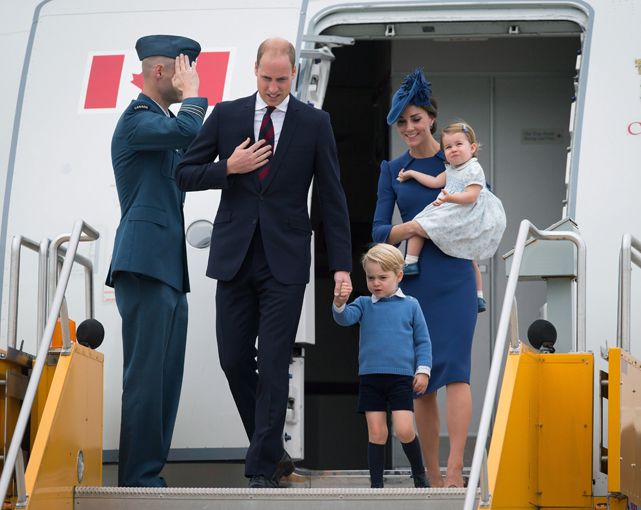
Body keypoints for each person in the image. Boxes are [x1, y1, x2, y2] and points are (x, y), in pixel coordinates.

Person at [175, 38, 353, 488]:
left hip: (286, 261)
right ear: (254, 70)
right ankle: (272, 452)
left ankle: (260, 470)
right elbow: (183, 173)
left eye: (282, 79)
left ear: (294, 73)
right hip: (235, 256)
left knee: (274, 362)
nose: (273, 88)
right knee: (233, 359)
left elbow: (332, 199)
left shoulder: (315, 123)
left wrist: (342, 267)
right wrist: (228, 167)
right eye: (266, 78)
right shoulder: (228, 114)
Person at [372, 68, 484, 488]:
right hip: (414, 282)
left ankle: (456, 466)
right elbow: (380, 231)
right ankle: (432, 474)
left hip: (454, 275)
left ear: (431, 118)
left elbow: (479, 212)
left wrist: (425, 227)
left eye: (415, 119)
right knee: (423, 378)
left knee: (455, 370)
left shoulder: (458, 157)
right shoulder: (392, 169)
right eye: (401, 122)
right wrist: (419, 227)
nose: (409, 128)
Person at [105, 35, 207, 487]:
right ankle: (139, 478)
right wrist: (195, 94)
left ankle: (149, 473)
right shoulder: (137, 121)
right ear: (161, 72)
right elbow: (186, 131)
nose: (188, 77)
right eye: (183, 69)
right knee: (146, 379)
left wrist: (237, 166)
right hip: (144, 264)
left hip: (167, 268)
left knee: (165, 381)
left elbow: (190, 166)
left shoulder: (163, 127)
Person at [332, 244, 432, 489]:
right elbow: (344, 319)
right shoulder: (364, 303)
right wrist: (339, 301)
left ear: (398, 276)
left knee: (405, 430)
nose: (376, 282)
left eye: (382, 277)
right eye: (370, 277)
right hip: (371, 379)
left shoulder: (411, 305)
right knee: (376, 433)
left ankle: (419, 474)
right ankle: (376, 485)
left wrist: (423, 370)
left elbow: (423, 341)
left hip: (400, 379)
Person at [396, 122, 506, 312]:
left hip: (468, 213)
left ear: (472, 149)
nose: (453, 150)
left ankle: (411, 262)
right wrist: (412, 174)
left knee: (419, 223)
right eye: (448, 147)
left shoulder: (473, 169)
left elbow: (471, 196)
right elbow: (435, 182)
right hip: (457, 210)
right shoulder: (451, 169)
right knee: (467, 256)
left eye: (458, 144)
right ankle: (478, 297)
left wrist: (449, 197)